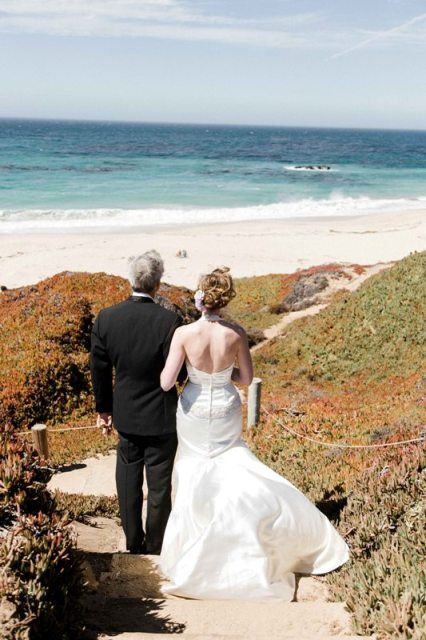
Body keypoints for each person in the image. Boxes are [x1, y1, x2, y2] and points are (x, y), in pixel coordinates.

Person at [159, 266, 349, 600]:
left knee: (191, 469)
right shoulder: (236, 333)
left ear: (200, 298)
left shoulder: (184, 334)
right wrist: (220, 375)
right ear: (225, 299)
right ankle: (247, 526)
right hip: (227, 409)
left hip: (194, 408)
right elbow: (246, 379)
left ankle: (193, 546)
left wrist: (196, 374)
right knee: (231, 462)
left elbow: (165, 381)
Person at [90, 250, 186, 555]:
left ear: (131, 279)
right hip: (162, 415)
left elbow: (100, 369)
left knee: (128, 480)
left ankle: (133, 541)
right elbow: (180, 373)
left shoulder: (107, 318)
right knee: (159, 487)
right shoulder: (170, 320)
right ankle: (156, 546)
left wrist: (103, 410)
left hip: (126, 414)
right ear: (158, 283)